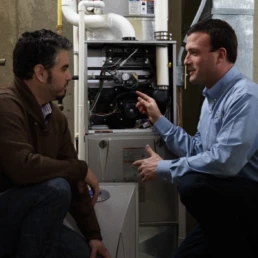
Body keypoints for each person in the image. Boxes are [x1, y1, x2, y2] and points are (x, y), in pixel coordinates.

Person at [133, 18, 258, 258]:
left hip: (248, 198)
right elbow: (199, 151)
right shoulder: (210, 99)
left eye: (193, 53)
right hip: (228, 201)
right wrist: (159, 120)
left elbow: (225, 161)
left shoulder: (245, 97)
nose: (185, 61)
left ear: (220, 55)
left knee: (192, 185)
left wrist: (164, 168)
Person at [0, 29, 110, 258]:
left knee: (82, 254)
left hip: (32, 220)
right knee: (56, 189)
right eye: (64, 68)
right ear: (40, 73)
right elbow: (23, 168)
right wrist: (79, 169)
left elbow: (72, 177)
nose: (69, 76)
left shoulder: (55, 117)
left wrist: (94, 235)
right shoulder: (6, 106)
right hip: (6, 217)